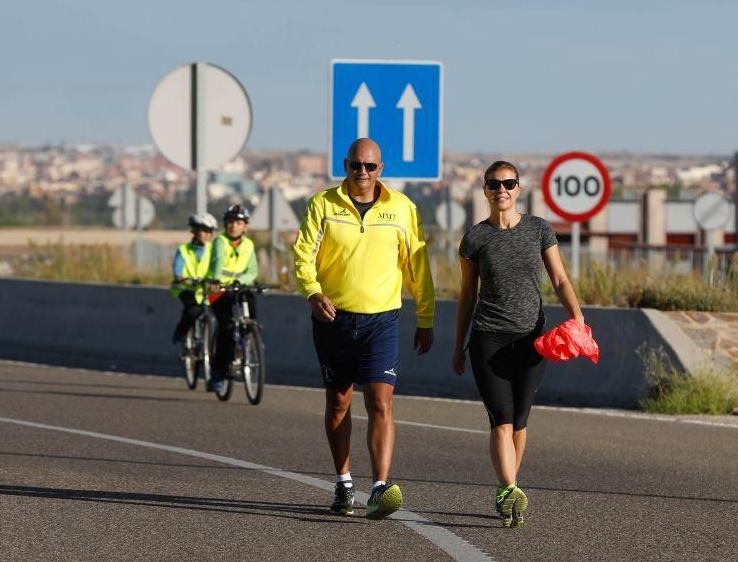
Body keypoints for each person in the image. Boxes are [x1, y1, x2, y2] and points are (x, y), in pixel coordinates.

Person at [293, 138, 435, 520]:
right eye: (356, 165)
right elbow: (303, 254)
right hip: (334, 318)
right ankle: (343, 483)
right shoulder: (323, 204)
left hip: (382, 320)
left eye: (370, 166)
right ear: (345, 165)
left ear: (381, 169)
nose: (362, 172)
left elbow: (417, 268)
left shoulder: (402, 208)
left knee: (380, 402)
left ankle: (379, 488)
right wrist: (312, 292)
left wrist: (426, 317)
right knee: (339, 402)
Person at [452, 160, 585, 529]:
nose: (502, 191)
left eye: (508, 184)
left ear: (518, 189)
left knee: (521, 422)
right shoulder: (475, 238)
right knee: (501, 420)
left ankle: (508, 489)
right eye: (494, 185)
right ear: (485, 190)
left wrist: (576, 314)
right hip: (488, 337)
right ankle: (510, 488)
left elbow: (559, 277)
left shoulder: (539, 230)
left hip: (532, 338)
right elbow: (466, 295)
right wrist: (458, 344)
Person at [209, 204, 259, 391]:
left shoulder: (249, 244)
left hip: (239, 288)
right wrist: (216, 280)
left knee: (251, 303)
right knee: (227, 327)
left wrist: (242, 281)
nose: (233, 226)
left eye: (238, 222)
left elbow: (252, 270)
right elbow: (218, 263)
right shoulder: (220, 242)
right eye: (230, 222)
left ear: (245, 226)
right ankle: (218, 372)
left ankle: (249, 334)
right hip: (219, 290)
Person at [171, 212, 219, 347]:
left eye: (209, 231)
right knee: (193, 310)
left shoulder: (214, 250)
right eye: (203, 230)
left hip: (207, 289)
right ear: (194, 231)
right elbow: (178, 270)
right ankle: (181, 332)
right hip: (188, 289)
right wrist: (182, 278)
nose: (206, 235)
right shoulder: (183, 250)